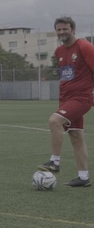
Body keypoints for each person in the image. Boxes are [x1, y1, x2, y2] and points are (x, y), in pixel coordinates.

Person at [37, 16, 94, 187]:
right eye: (59, 29)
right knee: (76, 135)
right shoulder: (59, 51)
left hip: (82, 98)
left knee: (54, 121)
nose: (62, 32)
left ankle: (54, 161)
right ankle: (84, 178)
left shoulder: (84, 46)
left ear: (73, 29)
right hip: (66, 99)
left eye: (65, 29)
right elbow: (67, 77)